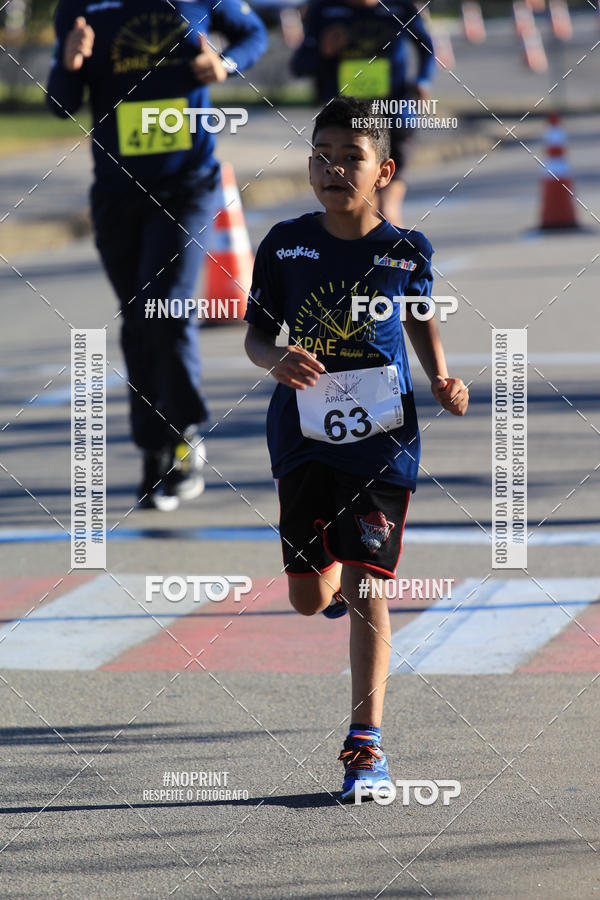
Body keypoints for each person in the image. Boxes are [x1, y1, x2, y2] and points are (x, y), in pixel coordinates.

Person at [244, 96, 468, 802]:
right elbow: (255, 333)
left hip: (382, 438)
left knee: (372, 578)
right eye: (323, 155)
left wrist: (439, 377)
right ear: (309, 165)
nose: (335, 168)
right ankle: (328, 583)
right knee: (311, 599)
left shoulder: (407, 250)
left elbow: (421, 316)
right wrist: (273, 358)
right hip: (303, 436)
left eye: (352, 157)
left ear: (383, 171)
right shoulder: (285, 243)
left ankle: (365, 745)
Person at [47, 1, 266, 510]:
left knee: (166, 309)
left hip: (187, 186)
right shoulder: (78, 8)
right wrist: (69, 61)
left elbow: (254, 34)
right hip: (117, 196)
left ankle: (185, 432)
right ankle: (153, 447)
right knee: (138, 319)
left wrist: (226, 63)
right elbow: (61, 104)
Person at [291, 0, 434, 227]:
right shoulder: (324, 10)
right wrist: (323, 50)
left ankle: (395, 257)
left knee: (385, 209)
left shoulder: (399, 6)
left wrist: (423, 80)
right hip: (345, 124)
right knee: (364, 210)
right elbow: (299, 66)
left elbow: (426, 47)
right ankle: (377, 257)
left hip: (393, 117)